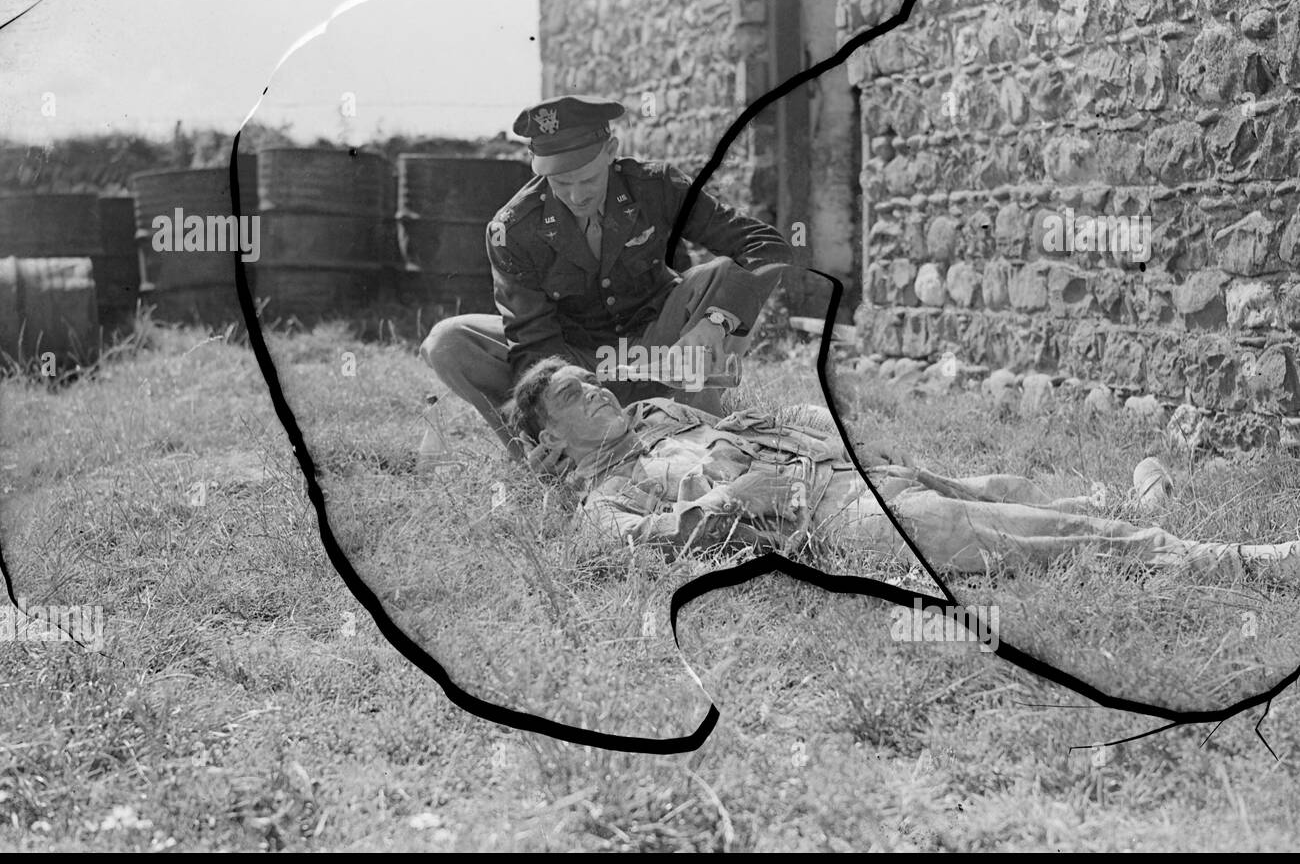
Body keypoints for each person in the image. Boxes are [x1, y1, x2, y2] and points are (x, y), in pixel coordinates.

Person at [503, 356, 1300, 580]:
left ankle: (1123, 498)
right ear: (551, 436)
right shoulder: (602, 497)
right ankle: (1220, 558)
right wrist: (730, 498)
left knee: (996, 491)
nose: (597, 386)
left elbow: (752, 422)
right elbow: (651, 542)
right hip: (819, 518)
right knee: (987, 533)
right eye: (574, 391)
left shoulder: (659, 417)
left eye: (590, 376)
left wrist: (815, 424)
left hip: (835, 469)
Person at [420, 94, 792, 458]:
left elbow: (767, 246)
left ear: (611, 150)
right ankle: (546, 456)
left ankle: (698, 433)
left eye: (587, 179)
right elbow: (532, 343)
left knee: (723, 273)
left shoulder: (656, 186)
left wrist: (712, 324)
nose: (576, 195)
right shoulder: (513, 229)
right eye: (560, 183)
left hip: (664, 349)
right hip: (576, 360)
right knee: (448, 342)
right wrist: (544, 425)